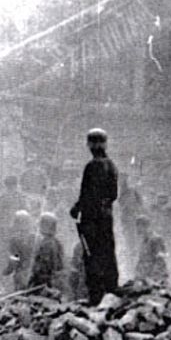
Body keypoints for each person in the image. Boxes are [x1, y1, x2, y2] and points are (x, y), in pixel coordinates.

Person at [70, 128, 119, 304]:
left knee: (92, 255)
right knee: (107, 251)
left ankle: (96, 296)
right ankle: (111, 289)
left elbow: (87, 194)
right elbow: (113, 195)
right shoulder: (111, 165)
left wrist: (77, 208)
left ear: (90, 144)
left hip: (92, 217)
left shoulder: (92, 166)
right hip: (106, 216)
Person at [28, 212, 65, 290]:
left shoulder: (46, 243)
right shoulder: (57, 242)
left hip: (43, 283)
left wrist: (32, 279)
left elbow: (42, 266)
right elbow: (60, 265)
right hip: (53, 281)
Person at [2, 210, 36, 291]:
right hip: (36, 276)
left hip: (22, 277)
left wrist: (7, 271)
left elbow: (15, 259)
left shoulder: (15, 240)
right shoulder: (35, 237)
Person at [133, 215, 168, 284]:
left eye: (138, 225)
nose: (137, 229)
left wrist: (153, 279)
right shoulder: (144, 242)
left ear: (146, 226)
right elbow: (141, 261)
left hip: (155, 280)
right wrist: (138, 277)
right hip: (144, 278)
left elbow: (160, 260)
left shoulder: (156, 239)